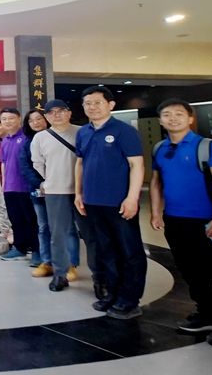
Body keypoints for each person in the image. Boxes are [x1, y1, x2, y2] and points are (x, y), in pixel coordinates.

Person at [150, 98, 212, 347]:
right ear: (160, 121)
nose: (173, 118)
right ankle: (207, 313)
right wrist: (156, 213)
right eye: (167, 114)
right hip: (175, 222)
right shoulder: (159, 148)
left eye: (179, 114)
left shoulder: (209, 147)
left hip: (210, 223)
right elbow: (156, 183)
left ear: (190, 118)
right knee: (190, 271)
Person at [74, 86, 146, 319]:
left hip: (119, 202)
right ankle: (112, 293)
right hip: (93, 202)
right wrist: (78, 193)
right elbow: (80, 164)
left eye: (97, 102)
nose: (92, 107)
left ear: (111, 105)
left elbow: (137, 165)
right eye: (87, 103)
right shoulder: (83, 132)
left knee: (129, 252)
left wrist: (132, 198)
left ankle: (130, 300)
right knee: (106, 251)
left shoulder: (124, 131)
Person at [32, 100, 84, 292]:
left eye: (61, 110)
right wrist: (50, 179)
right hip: (56, 191)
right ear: (46, 117)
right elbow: (37, 163)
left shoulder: (82, 132)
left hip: (84, 191)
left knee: (91, 235)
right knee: (58, 235)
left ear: (69, 113)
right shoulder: (40, 137)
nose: (56, 114)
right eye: (51, 112)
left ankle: (99, 277)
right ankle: (60, 274)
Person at [0, 108, 39, 262]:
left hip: (25, 187)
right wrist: (4, 184)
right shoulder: (5, 140)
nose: (7, 121)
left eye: (11, 118)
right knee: (16, 220)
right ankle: (19, 248)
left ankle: (36, 251)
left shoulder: (27, 138)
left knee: (31, 220)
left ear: (19, 119)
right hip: (10, 188)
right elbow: (3, 163)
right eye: (4, 119)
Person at [18, 109, 52, 274]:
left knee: (64, 228)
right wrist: (40, 183)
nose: (36, 123)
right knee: (43, 226)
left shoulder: (55, 138)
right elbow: (26, 168)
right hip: (38, 191)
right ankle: (46, 261)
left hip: (60, 190)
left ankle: (70, 264)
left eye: (39, 119)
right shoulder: (27, 144)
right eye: (31, 121)